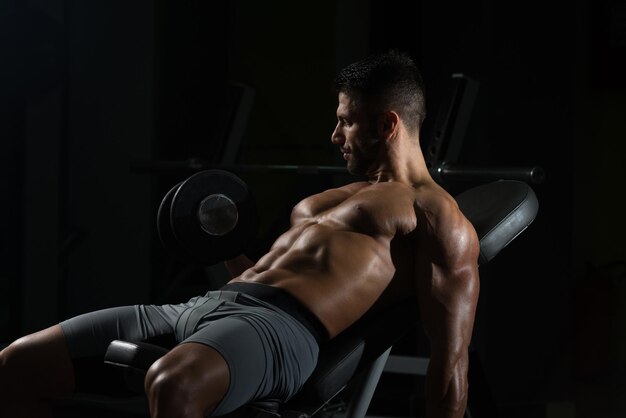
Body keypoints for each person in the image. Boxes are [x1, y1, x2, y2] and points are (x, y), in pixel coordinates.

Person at [0, 50, 479, 418]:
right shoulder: (341, 195)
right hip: (207, 308)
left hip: (281, 331)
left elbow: (450, 361)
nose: (335, 136)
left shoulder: (434, 214)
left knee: (173, 384)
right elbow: (274, 275)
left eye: (346, 121)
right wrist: (226, 246)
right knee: (17, 364)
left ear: (387, 125)